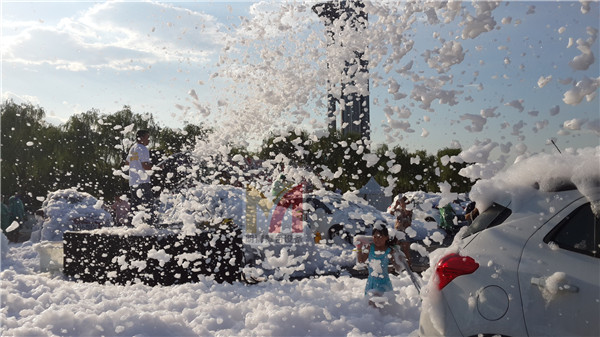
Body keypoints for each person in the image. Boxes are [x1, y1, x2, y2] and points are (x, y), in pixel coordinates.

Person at [356, 224, 402, 308]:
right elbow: (361, 261)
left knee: (382, 307)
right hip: (371, 282)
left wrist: (398, 257)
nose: (377, 240)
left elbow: (398, 267)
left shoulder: (389, 250)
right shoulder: (370, 247)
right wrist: (359, 248)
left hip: (383, 283)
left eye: (380, 237)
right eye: (375, 237)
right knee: (371, 307)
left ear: (386, 237)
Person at [126, 130, 157, 225]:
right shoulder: (143, 148)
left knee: (135, 204)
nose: (149, 140)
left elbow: (127, 163)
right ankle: (149, 223)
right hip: (142, 181)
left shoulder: (133, 148)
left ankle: (131, 224)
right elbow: (146, 166)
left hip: (133, 181)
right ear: (142, 138)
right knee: (148, 202)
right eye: (147, 137)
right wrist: (156, 168)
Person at [387, 194, 413, 265]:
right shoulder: (399, 210)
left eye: (402, 202)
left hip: (405, 232)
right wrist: (395, 205)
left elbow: (406, 212)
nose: (401, 204)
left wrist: (403, 204)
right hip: (397, 231)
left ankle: (408, 266)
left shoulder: (409, 210)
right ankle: (396, 265)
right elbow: (391, 213)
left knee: (405, 250)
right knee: (394, 250)